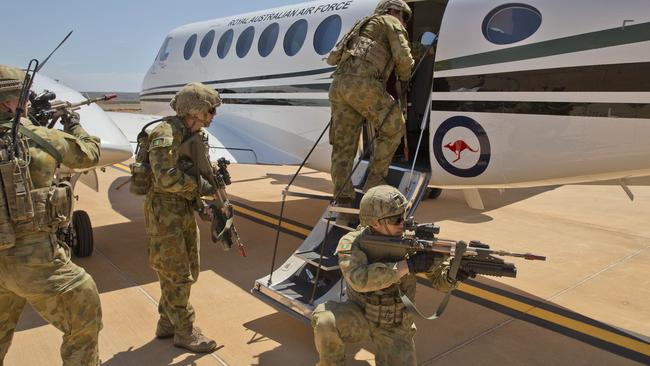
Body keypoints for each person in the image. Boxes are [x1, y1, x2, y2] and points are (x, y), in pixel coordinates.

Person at [0, 65, 102, 365]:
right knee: (85, 309)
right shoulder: (42, 138)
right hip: (34, 263)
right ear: (9, 103)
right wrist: (73, 123)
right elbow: (89, 153)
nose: (28, 102)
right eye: (24, 97)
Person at [312, 185, 464, 366]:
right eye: (395, 219)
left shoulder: (412, 243)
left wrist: (453, 275)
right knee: (325, 320)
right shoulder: (353, 242)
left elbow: (440, 282)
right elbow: (359, 280)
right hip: (360, 314)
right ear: (375, 223)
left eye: (403, 215)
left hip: (395, 325)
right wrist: (406, 266)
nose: (402, 223)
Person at [144, 82, 221, 353]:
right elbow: (165, 178)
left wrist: (202, 203)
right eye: (210, 111)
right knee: (176, 273)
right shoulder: (165, 134)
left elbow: (191, 173)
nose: (213, 116)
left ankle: (167, 321)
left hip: (182, 208)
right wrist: (199, 187)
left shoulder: (192, 134)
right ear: (195, 110)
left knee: (189, 269)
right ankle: (185, 331)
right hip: (165, 212)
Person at [329, 0, 415, 220]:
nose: (404, 21)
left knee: (343, 146)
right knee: (395, 127)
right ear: (393, 11)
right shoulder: (390, 21)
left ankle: (343, 202)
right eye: (403, 16)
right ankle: (375, 180)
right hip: (363, 86)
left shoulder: (360, 25)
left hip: (339, 86)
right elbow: (403, 58)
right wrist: (405, 81)